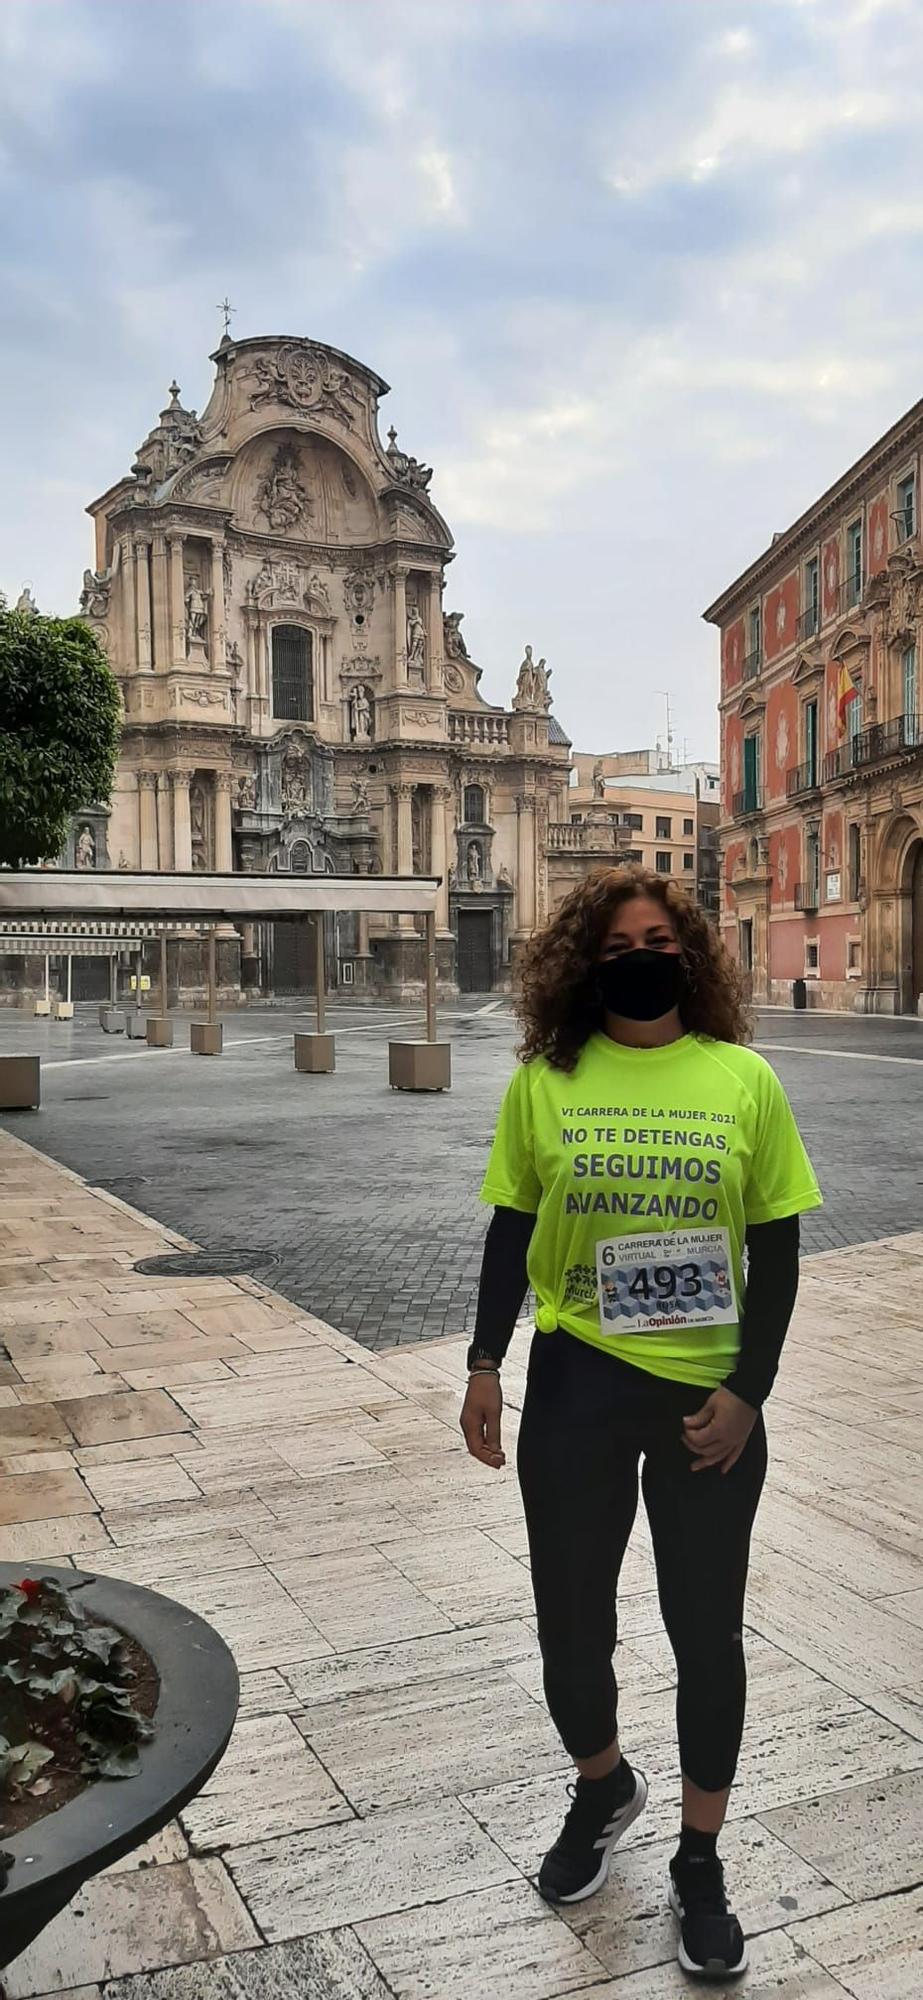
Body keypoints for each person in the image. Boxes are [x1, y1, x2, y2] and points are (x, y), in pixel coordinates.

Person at [460, 867, 821, 1981]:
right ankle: (601, 1783)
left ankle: (699, 1857)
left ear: (689, 953)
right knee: (568, 1625)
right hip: (574, 1382)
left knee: (703, 1633)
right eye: (616, 940)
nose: (638, 953)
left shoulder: (742, 1078)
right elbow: (509, 1229)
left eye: (657, 936)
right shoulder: (544, 1081)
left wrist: (747, 1392)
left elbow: (777, 1256)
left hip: (702, 1401)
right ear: (583, 959)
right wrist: (483, 1360)